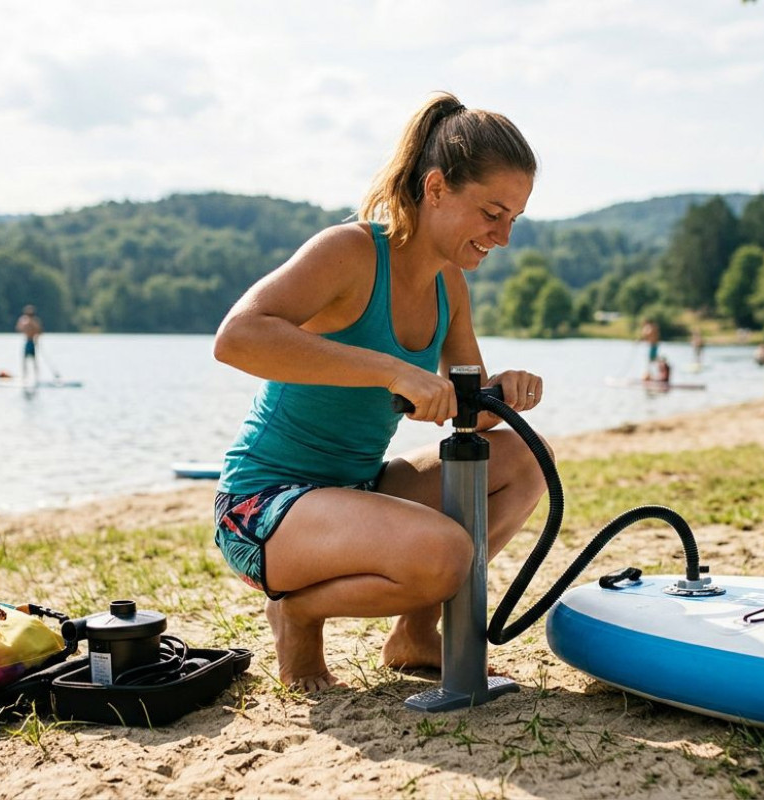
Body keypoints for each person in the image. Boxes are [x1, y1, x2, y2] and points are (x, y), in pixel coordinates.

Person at [211, 93, 546, 692]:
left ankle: (415, 637)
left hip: (359, 489)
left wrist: (501, 393)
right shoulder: (350, 251)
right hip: (263, 507)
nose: (503, 236)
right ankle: (298, 610)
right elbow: (237, 338)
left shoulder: (450, 286)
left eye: (513, 220)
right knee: (445, 555)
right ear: (437, 188)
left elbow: (467, 420)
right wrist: (390, 370)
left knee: (524, 464)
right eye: (492, 212)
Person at [15, 305, 43, 384]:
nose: (30, 316)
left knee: (34, 361)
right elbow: (18, 329)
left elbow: (39, 332)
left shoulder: (35, 321)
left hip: (32, 342)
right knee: (25, 360)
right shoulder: (24, 320)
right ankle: (24, 377)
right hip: (27, 342)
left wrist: (36, 339)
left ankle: (37, 378)